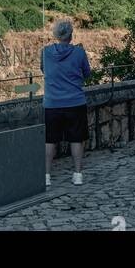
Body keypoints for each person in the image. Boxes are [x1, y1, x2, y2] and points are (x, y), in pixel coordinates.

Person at [41, 19, 92, 187]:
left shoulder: (45, 52)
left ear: (55, 35)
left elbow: (44, 70)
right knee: (76, 139)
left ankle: (46, 176)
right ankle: (77, 174)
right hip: (75, 102)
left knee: (50, 140)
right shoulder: (79, 52)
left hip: (52, 103)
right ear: (71, 35)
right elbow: (87, 73)